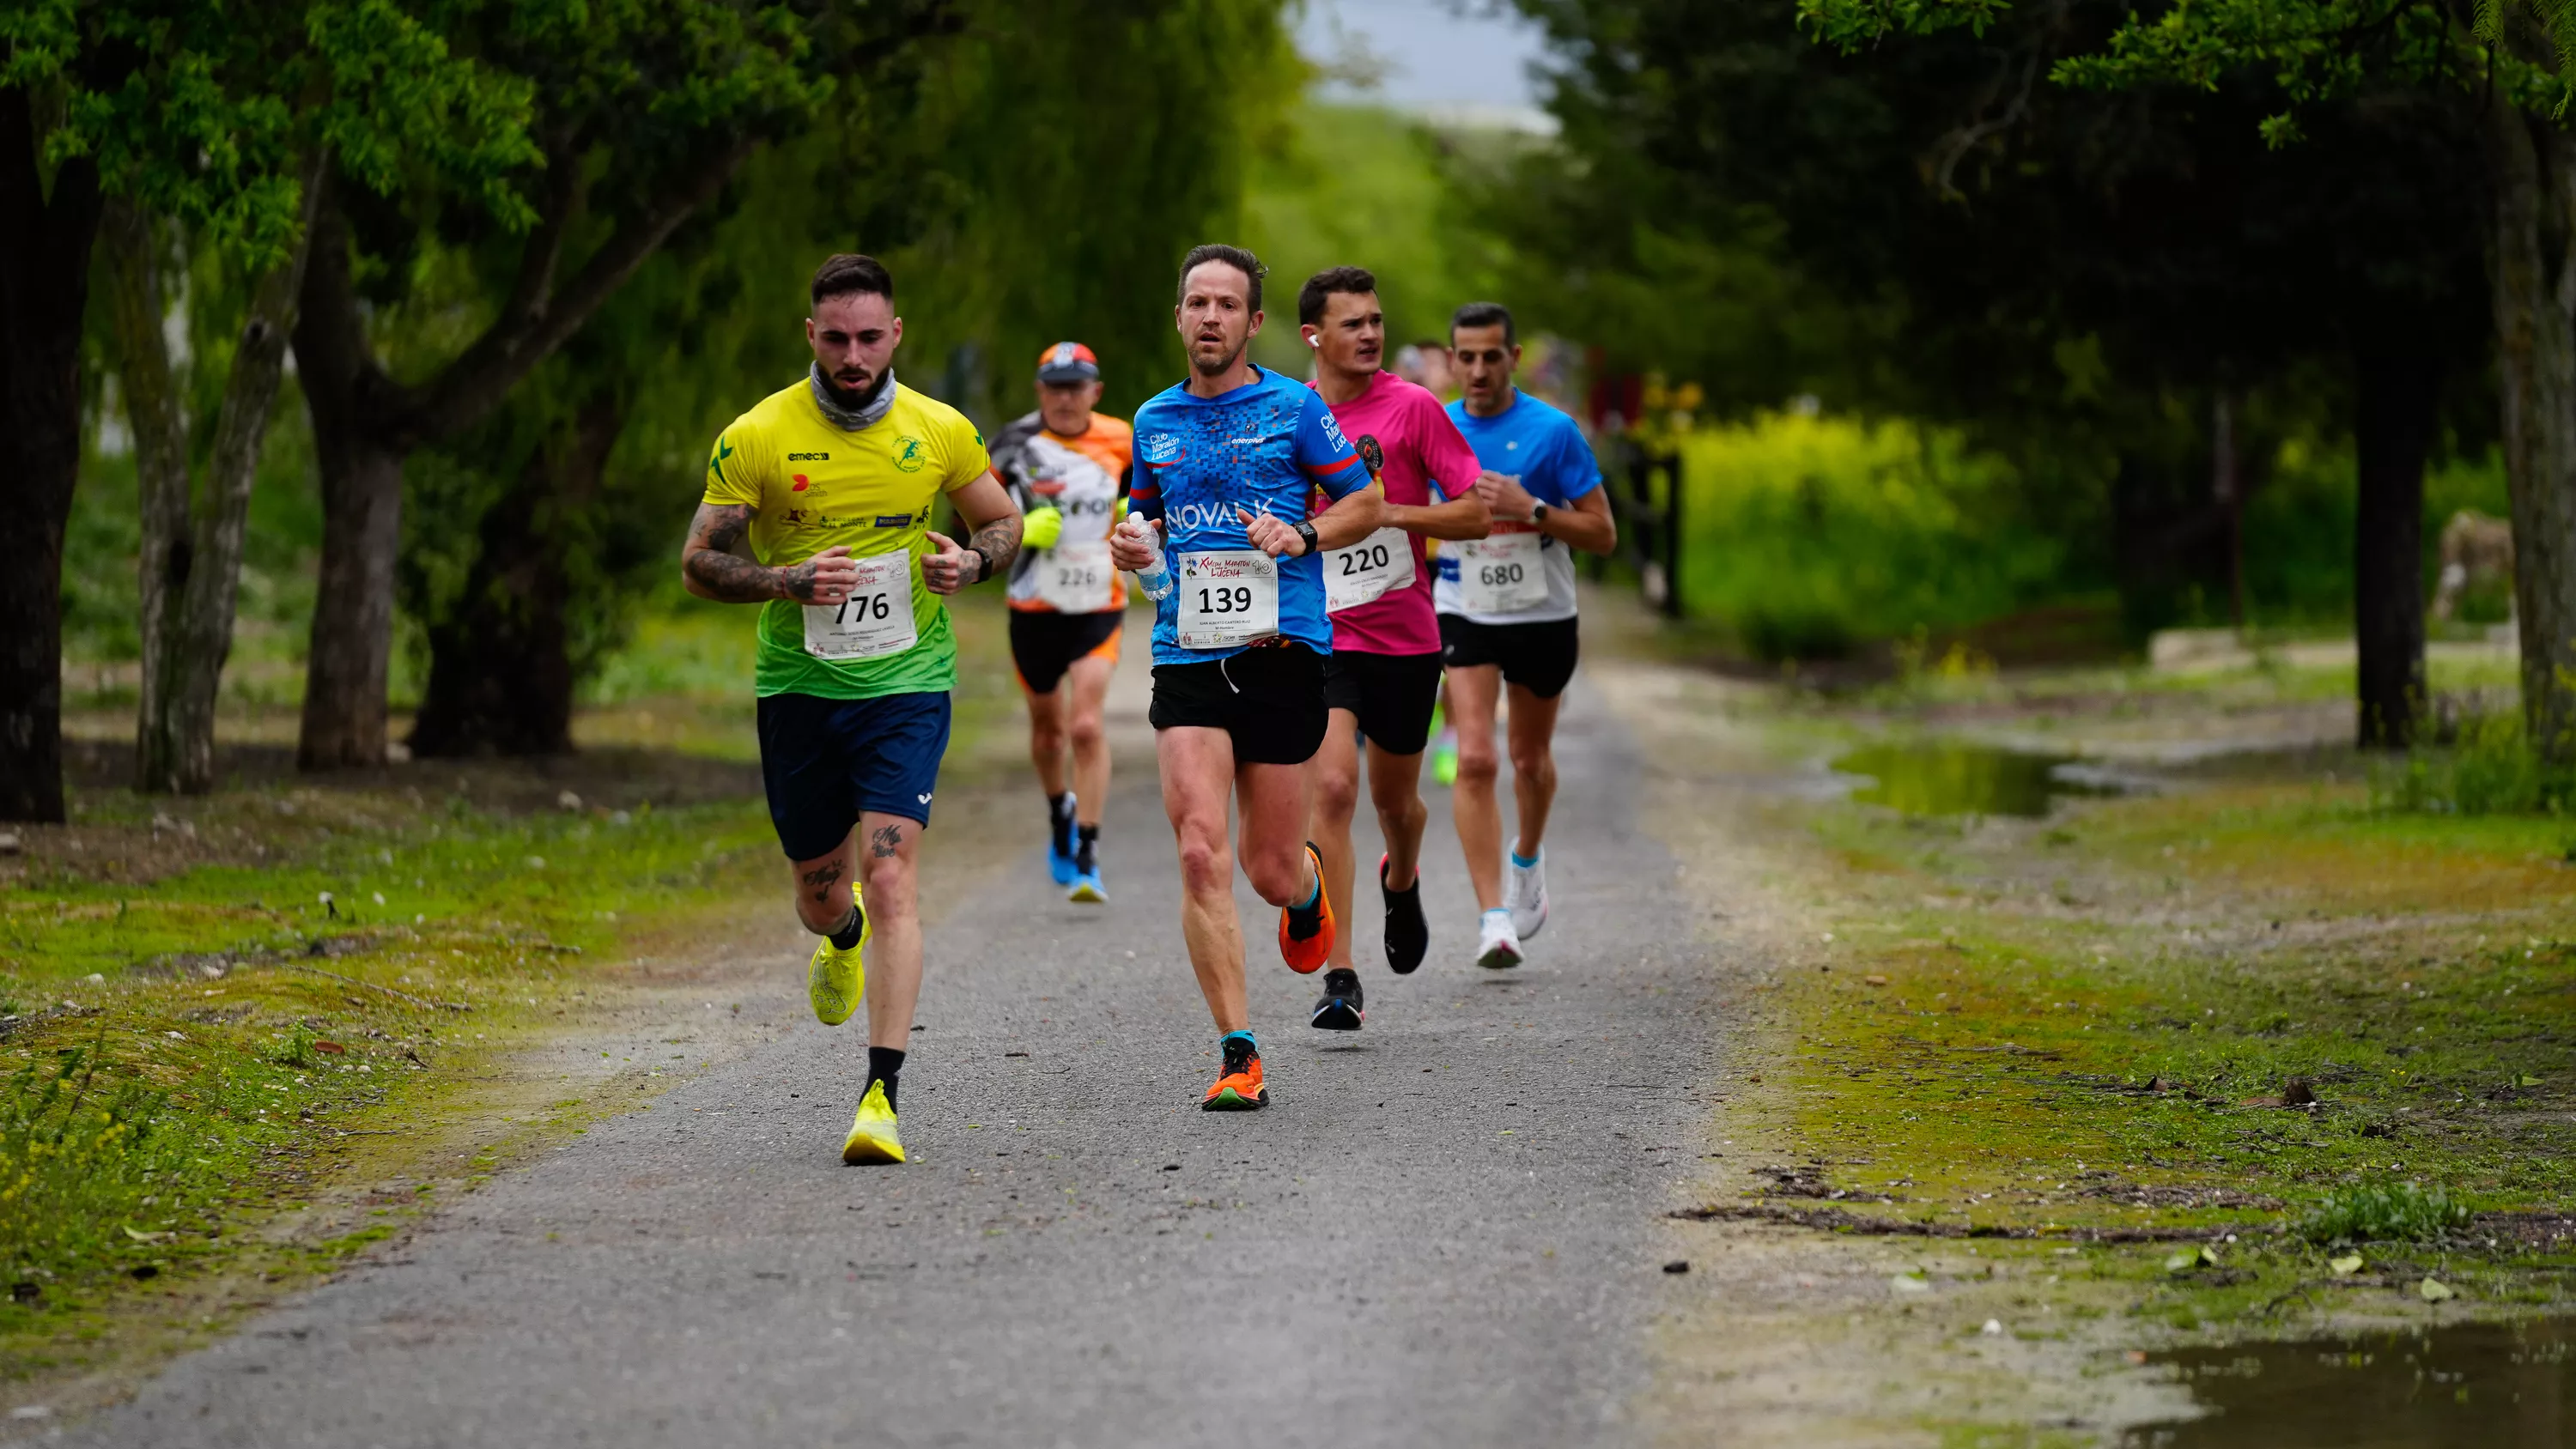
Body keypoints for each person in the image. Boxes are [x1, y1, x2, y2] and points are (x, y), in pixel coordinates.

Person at [680, 253, 1023, 1164]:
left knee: (897, 871)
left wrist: (973, 565)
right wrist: (786, 579)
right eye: (836, 338)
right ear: (811, 336)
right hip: (799, 688)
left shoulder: (940, 428)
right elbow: (700, 561)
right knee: (820, 889)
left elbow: (1004, 519)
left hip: (907, 682)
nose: (853, 354)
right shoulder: (756, 434)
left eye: (870, 336)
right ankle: (843, 933)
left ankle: (882, 1094)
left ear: (897, 334)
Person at [1106, 244, 1386, 1110]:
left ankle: (1305, 894)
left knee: (1267, 869)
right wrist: (1128, 545)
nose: (1212, 317)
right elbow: (1143, 522)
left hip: (1282, 648)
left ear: (1254, 322)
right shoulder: (1152, 421)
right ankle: (1239, 1052)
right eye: (1198, 302)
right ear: (1180, 315)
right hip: (1187, 648)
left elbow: (1365, 501)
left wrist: (1303, 536)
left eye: (1229, 304)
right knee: (1199, 849)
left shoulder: (1296, 407)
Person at [1294, 268, 1489, 1031]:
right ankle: (1340, 975)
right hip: (1322, 635)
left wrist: (1385, 513)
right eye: (1354, 324)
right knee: (1334, 790)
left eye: (1376, 320)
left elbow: (1476, 511)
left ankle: (1400, 879)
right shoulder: (1288, 413)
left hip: (1406, 639)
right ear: (1315, 336)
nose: (1372, 334)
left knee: (1395, 803)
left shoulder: (1412, 409)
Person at [1437, 302, 1618, 970]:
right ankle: (1494, 919)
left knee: (1528, 760)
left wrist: (1531, 509)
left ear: (1513, 358)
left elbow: (1603, 534)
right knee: (1477, 757)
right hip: (1464, 605)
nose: (1478, 370)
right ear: (1452, 360)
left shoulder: (1554, 431)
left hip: (1542, 613)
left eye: (1491, 356)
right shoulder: (1438, 427)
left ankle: (1528, 859)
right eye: (1466, 357)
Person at [991, 342, 1133, 902]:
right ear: (1040, 391)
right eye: (1056, 387)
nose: (1066, 398)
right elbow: (973, 523)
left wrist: (1135, 515)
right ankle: (1059, 811)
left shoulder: (1124, 438)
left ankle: (1088, 851)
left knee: (1086, 726)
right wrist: (1022, 529)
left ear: (1095, 391)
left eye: (1077, 387)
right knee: (1049, 732)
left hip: (1100, 601)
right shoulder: (1012, 444)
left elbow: (1151, 501)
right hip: (1034, 606)